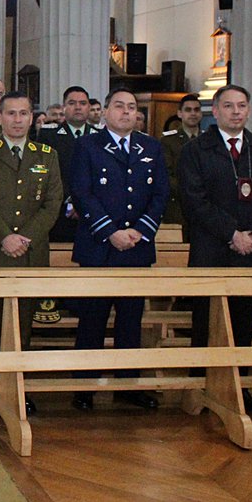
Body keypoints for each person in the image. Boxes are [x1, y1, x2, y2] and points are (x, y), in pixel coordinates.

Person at [179, 85, 252, 413]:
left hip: (250, 251)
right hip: (211, 247)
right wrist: (231, 233)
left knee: (242, 320)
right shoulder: (198, 150)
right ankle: (199, 385)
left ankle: (241, 387)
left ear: (249, 110)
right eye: (229, 106)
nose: (236, 111)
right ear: (216, 109)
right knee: (205, 319)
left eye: (242, 106)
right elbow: (195, 200)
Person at [68, 87, 169, 412]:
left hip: (136, 248)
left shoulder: (151, 147)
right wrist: (111, 232)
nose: (126, 112)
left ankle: (129, 383)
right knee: (92, 319)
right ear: (106, 112)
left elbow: (161, 195)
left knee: (130, 320)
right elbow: (82, 193)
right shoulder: (87, 146)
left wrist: (139, 231)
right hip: (99, 246)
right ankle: (83, 385)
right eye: (119, 106)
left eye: (131, 107)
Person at [0, 92, 60, 415]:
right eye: (11, 114)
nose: (17, 120)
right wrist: (5, 236)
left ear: (32, 118)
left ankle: (18, 387)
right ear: (0, 117)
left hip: (30, 255)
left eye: (23, 114)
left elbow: (52, 204)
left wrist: (26, 237)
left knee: (23, 324)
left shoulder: (47, 156)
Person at [43, 86, 100, 243]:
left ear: (88, 107)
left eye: (82, 103)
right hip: (59, 212)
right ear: (64, 107)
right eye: (72, 103)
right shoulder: (49, 137)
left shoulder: (100, 138)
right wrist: (70, 201)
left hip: (94, 213)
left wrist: (83, 203)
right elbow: (49, 174)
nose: (78, 107)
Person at [160, 93, 203, 237]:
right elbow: (166, 174)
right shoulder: (168, 141)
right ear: (180, 113)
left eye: (196, 110)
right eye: (188, 110)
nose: (193, 113)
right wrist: (191, 192)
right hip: (178, 205)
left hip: (205, 208)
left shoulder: (208, 140)